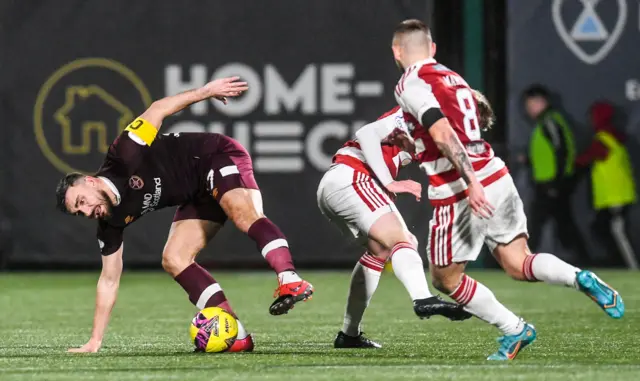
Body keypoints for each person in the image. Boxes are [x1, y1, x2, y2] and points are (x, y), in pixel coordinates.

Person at [356, 19, 624, 360]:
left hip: (461, 188)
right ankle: (579, 277)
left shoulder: (410, 82)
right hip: (496, 174)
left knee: (444, 279)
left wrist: (471, 184)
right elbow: (467, 122)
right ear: (433, 49)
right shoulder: (453, 78)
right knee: (518, 262)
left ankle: (515, 330)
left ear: (397, 51)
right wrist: (415, 140)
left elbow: (442, 132)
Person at [55, 77, 314, 353]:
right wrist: (95, 341)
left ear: (91, 181)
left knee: (243, 214)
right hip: (196, 193)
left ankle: (289, 279)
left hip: (214, 156)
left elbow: (157, 109)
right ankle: (235, 334)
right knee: (174, 259)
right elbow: (108, 279)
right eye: (79, 212)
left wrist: (206, 91)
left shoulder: (122, 155)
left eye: (81, 201)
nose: (86, 211)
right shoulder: (110, 222)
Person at [317, 106, 471, 349]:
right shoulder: (420, 109)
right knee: (403, 240)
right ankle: (423, 298)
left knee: (380, 251)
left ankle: (349, 334)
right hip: (352, 177)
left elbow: (405, 152)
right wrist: (390, 182)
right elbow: (367, 133)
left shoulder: (431, 132)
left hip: (340, 183)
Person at [521, 84, 587, 258]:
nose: (528, 109)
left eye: (531, 104)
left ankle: (522, 260)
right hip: (548, 183)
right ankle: (583, 259)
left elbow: (562, 151)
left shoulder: (550, 121)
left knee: (539, 224)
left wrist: (557, 183)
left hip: (552, 183)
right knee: (562, 225)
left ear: (542, 102)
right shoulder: (545, 122)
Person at [576, 101, 638, 269]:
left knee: (619, 233)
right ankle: (618, 263)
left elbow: (584, 159)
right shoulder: (615, 138)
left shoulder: (602, 140)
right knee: (603, 229)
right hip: (616, 196)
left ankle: (631, 267)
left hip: (615, 197)